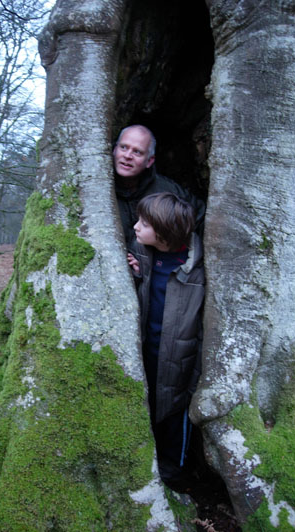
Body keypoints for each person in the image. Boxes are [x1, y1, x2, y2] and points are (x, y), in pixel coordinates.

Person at [127, 192, 205, 492]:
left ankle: (175, 477)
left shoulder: (195, 266)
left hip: (179, 362)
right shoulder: (143, 253)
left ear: (162, 232)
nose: (135, 227)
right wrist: (135, 275)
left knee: (174, 419)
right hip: (146, 351)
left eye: (143, 223)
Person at [113, 124, 205, 248]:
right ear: (114, 150)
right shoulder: (96, 191)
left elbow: (199, 219)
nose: (128, 156)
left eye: (137, 152)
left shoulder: (168, 190)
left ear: (149, 161)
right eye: (123, 147)